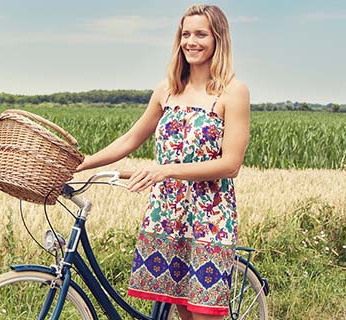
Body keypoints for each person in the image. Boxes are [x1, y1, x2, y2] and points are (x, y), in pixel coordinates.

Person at [74, 4, 250, 320]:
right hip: (167, 213)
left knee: (204, 313)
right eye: (185, 34)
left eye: (201, 34)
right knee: (181, 309)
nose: (191, 42)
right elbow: (130, 140)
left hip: (209, 217)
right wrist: (81, 164)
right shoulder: (167, 90)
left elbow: (231, 164)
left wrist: (165, 169)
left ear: (218, 39)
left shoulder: (232, 92)